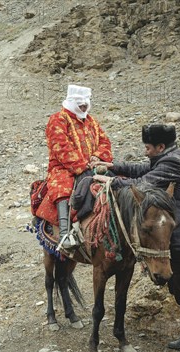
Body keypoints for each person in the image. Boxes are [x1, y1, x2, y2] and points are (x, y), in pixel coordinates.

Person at [91, 124, 180, 352]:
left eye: (148, 148)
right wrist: (115, 167)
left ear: (160, 147)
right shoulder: (167, 157)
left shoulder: (172, 163)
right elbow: (142, 168)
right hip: (171, 238)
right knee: (177, 287)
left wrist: (112, 181)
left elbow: (143, 183)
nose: (145, 152)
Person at [35, 84, 113, 251]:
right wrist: (83, 165)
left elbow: (105, 142)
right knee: (62, 188)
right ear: (71, 101)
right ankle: (65, 234)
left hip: (94, 165)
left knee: (117, 181)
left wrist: (98, 156)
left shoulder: (91, 121)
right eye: (80, 102)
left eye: (86, 102)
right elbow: (61, 149)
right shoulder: (58, 120)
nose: (84, 105)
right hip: (64, 168)